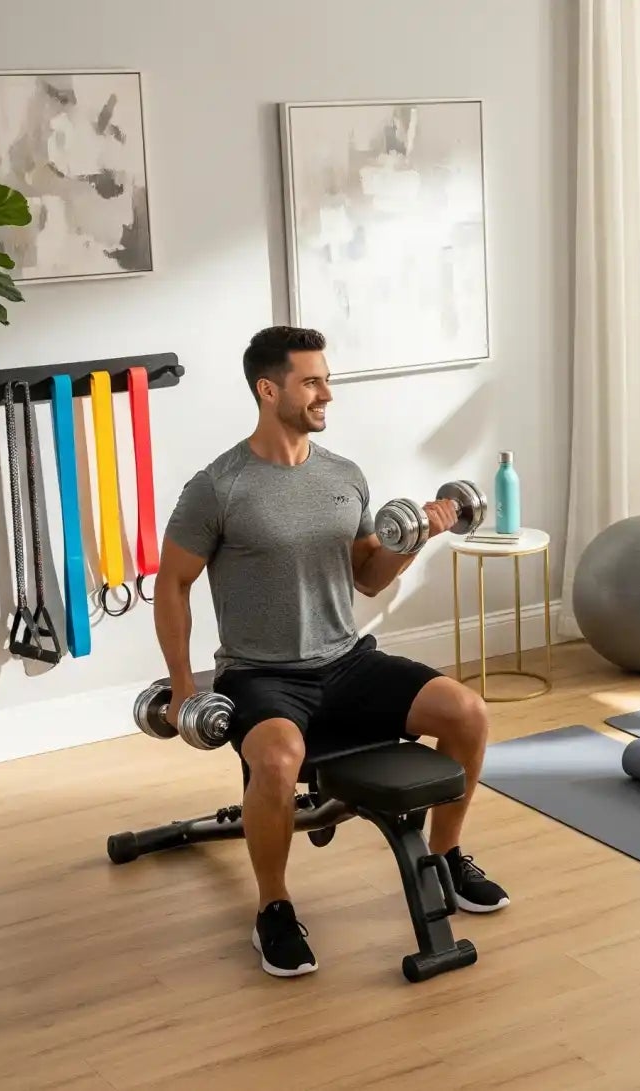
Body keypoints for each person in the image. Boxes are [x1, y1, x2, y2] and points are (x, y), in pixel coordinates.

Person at [153, 325, 509, 979]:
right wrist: (182, 687)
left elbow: (367, 577)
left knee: (468, 712)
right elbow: (171, 582)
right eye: (312, 381)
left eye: (326, 377)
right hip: (261, 673)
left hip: (346, 661)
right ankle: (275, 907)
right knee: (280, 757)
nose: (327, 393)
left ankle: (446, 857)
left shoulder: (344, 476)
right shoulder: (220, 486)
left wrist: (418, 536)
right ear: (269, 389)